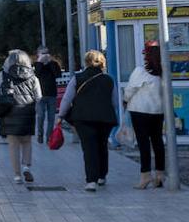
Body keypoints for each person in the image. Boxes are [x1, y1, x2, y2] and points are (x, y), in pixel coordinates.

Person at [58, 49, 118, 192]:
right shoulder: (109, 79)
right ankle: (102, 176)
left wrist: (60, 115)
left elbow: (67, 99)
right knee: (102, 146)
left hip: (83, 118)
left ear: (86, 62)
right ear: (102, 62)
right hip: (105, 118)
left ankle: (91, 181)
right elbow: (115, 102)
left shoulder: (77, 78)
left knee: (89, 148)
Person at [124, 41, 166, 189]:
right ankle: (160, 174)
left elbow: (130, 90)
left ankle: (145, 175)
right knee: (158, 142)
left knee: (143, 143)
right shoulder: (163, 73)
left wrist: (125, 100)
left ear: (147, 55)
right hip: (158, 111)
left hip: (140, 111)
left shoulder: (140, 72)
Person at [0, 50, 42, 184]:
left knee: (13, 145)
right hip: (27, 114)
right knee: (27, 142)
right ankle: (26, 166)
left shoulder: (3, 75)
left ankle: (17, 175)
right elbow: (39, 96)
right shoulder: (33, 76)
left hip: (9, 113)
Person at [32, 48, 62, 144]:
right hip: (40, 95)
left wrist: (51, 63)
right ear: (38, 54)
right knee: (40, 116)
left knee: (51, 117)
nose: (45, 55)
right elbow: (36, 75)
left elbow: (57, 75)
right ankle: (40, 135)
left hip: (52, 94)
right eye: (43, 53)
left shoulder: (54, 64)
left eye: (47, 53)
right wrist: (40, 63)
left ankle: (49, 136)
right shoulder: (36, 65)